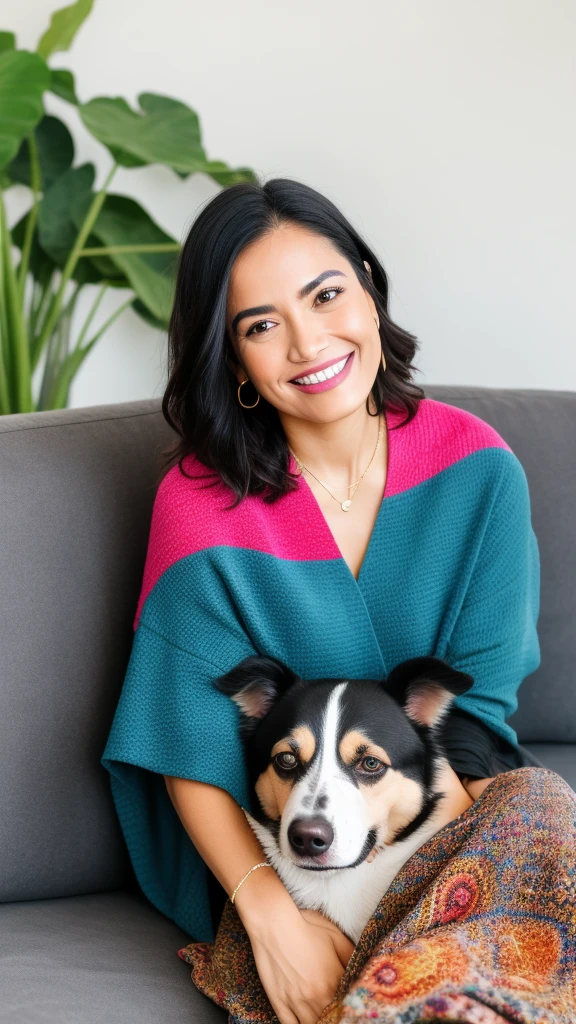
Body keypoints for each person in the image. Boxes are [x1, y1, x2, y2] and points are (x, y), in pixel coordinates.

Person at [101, 178, 544, 1024]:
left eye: (327, 295)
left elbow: (471, 720)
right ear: (232, 362)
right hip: (268, 843)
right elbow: (187, 744)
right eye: (261, 325)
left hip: (436, 807)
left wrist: (424, 891)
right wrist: (272, 917)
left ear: (370, 292)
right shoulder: (199, 505)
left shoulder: (479, 469)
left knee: (545, 810)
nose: (308, 342)